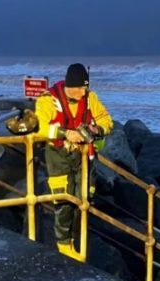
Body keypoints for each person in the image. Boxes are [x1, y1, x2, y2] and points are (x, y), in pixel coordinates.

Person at [34, 63, 113, 260]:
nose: (82, 93)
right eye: (78, 89)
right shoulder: (47, 100)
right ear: (69, 85)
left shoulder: (90, 98)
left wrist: (97, 130)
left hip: (83, 156)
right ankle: (64, 244)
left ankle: (77, 238)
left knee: (84, 198)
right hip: (58, 154)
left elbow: (105, 119)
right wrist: (65, 133)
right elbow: (38, 126)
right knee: (63, 200)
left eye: (84, 88)